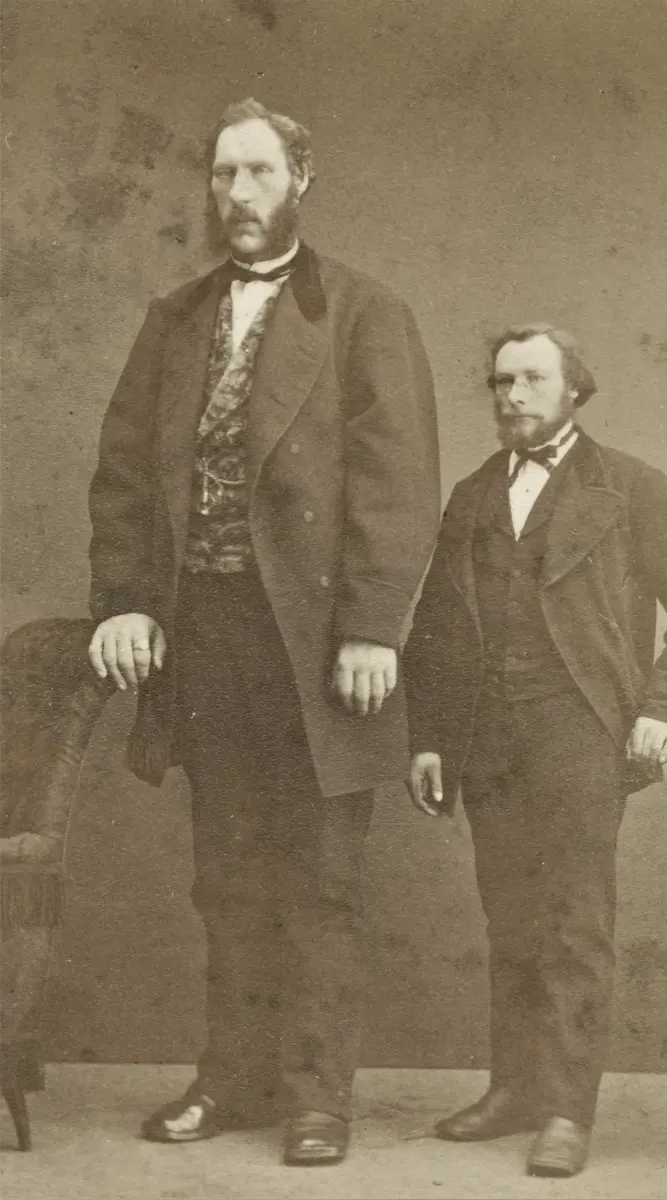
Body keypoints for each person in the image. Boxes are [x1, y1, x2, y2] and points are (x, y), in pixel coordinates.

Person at [87, 97, 440, 1166]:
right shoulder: (174, 318)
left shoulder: (366, 314)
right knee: (227, 873)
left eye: (259, 173)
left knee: (320, 878)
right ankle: (231, 1078)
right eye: (223, 174)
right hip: (207, 635)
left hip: (322, 644)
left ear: (301, 179)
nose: (238, 194)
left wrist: (372, 626)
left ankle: (317, 1098)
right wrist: (127, 601)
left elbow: (396, 482)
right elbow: (123, 473)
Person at [404, 324, 667, 1178]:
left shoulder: (628, 487)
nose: (512, 395)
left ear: (574, 390)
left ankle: (565, 1110)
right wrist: (430, 738)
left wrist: (663, 708)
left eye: (531, 379)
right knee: (508, 918)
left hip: (578, 734)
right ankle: (514, 1090)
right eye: (500, 381)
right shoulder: (474, 493)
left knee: (574, 923)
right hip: (485, 738)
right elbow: (437, 628)